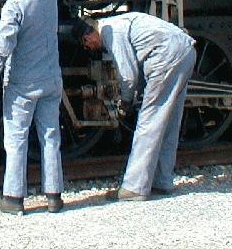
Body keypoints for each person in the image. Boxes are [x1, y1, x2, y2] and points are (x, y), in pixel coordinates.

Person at [74, 12, 196, 201]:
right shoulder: (118, 23)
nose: (90, 48)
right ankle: (162, 181)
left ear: (87, 36)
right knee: (170, 121)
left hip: (166, 55)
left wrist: (126, 101)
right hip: (185, 50)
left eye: (86, 45)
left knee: (149, 121)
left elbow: (128, 75)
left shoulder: (110, 32)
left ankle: (135, 187)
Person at [0, 0, 64, 215]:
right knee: (50, 136)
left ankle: (14, 199)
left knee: (16, 139)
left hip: (23, 84)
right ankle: (54, 197)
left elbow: (3, 46)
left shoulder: (14, 6)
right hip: (51, 80)